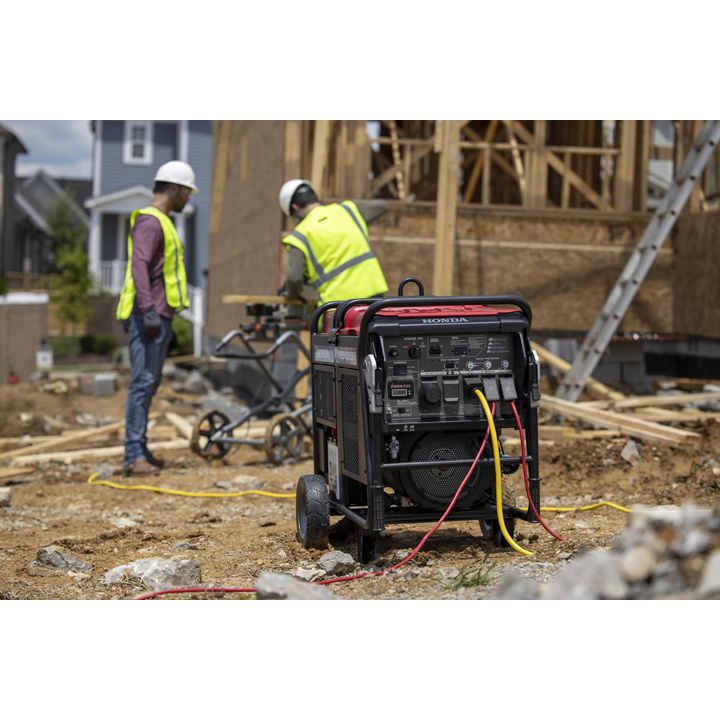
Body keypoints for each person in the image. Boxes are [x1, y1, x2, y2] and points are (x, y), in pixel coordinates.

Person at [116, 160, 198, 475]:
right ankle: (133, 455)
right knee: (142, 383)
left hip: (156, 315)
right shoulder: (150, 222)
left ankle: (140, 450)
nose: (188, 198)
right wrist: (150, 310)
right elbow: (139, 265)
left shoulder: (161, 222)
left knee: (149, 384)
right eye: (186, 192)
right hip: (145, 315)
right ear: (174, 189)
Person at [278, 179, 389, 305]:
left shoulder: (300, 235)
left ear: (295, 208)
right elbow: (382, 206)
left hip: (339, 306)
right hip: (374, 295)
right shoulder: (348, 210)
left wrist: (291, 296)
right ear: (318, 199)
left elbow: (294, 278)